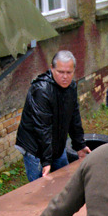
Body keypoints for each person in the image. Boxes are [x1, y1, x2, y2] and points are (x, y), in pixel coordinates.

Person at [15, 50, 90, 181]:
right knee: (40, 186)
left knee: (65, 180)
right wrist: (46, 161)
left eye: (69, 72)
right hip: (35, 148)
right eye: (60, 72)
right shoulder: (41, 90)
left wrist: (79, 145)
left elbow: (74, 117)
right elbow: (42, 128)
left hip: (56, 144)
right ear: (52, 68)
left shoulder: (71, 87)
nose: (65, 77)